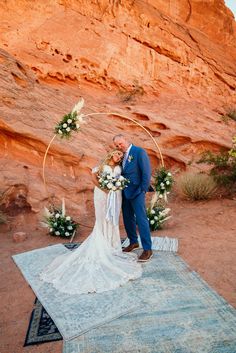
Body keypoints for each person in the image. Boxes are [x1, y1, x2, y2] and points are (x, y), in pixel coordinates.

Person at [40, 150, 142, 295]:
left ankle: (113, 245)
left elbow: (124, 180)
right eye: (117, 153)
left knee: (113, 218)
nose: (119, 156)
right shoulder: (102, 164)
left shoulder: (121, 168)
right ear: (112, 153)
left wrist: (117, 186)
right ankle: (103, 244)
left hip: (116, 194)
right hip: (102, 193)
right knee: (102, 218)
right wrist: (104, 188)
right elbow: (93, 177)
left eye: (121, 155)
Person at [113, 134, 153, 262]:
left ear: (126, 139)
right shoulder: (121, 155)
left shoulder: (139, 152)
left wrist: (143, 189)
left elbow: (146, 172)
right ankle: (133, 242)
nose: (119, 146)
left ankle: (147, 249)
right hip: (124, 192)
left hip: (137, 191)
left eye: (120, 143)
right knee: (127, 218)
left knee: (141, 220)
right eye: (117, 145)